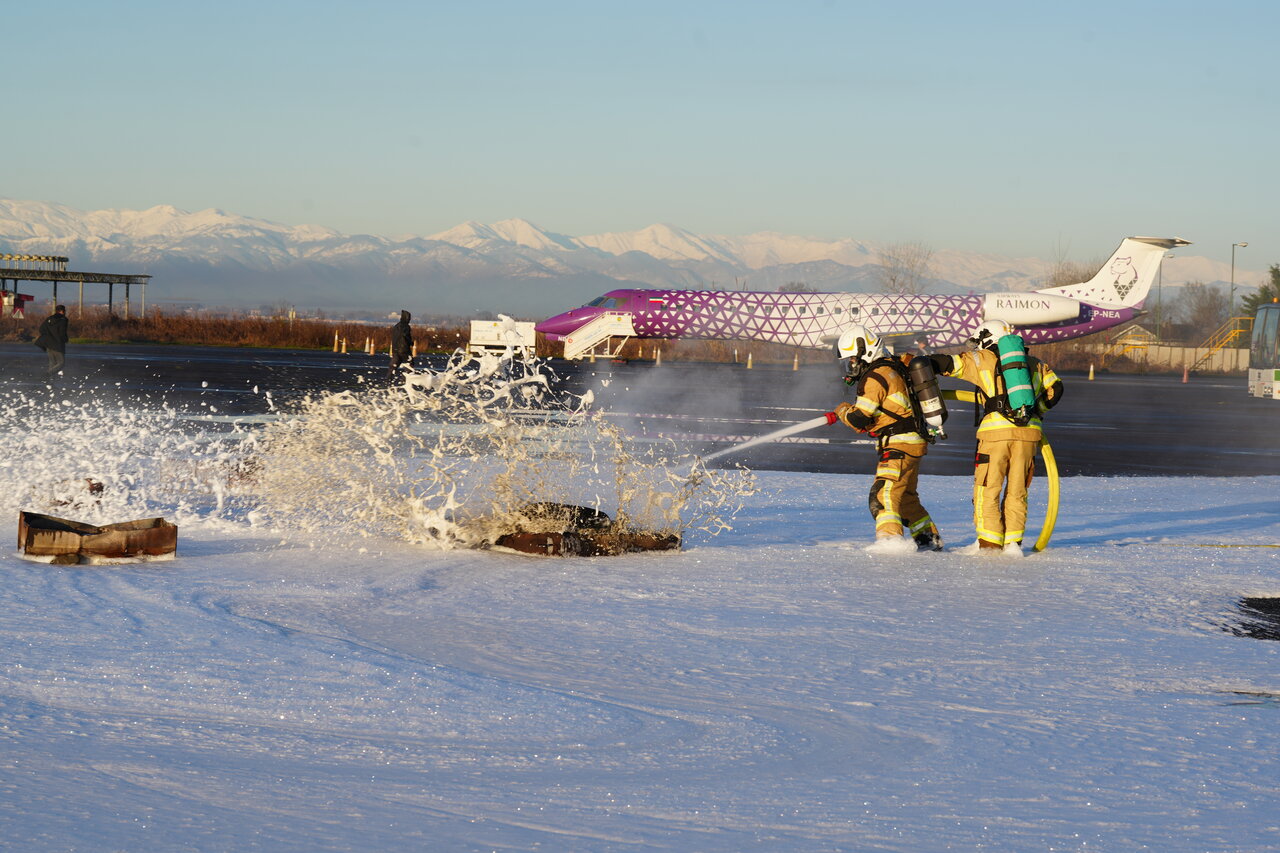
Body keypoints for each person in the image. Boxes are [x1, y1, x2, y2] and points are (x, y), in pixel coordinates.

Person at [931, 320, 1064, 556]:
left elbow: (945, 364)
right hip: (1029, 435)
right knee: (1017, 491)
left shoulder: (983, 359)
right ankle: (1013, 546)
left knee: (987, 489)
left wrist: (919, 364)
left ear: (986, 338)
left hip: (995, 436)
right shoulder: (1036, 364)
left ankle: (990, 547)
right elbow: (1057, 390)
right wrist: (1036, 412)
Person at [832, 325, 944, 553]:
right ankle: (929, 542)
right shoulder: (894, 367)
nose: (851, 366)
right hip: (912, 442)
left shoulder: (875, 376)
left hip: (898, 444)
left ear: (866, 352)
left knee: (883, 495)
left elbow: (859, 417)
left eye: (853, 360)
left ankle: (890, 543)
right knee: (906, 499)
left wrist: (842, 411)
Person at [34, 304, 69, 378]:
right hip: (57, 344)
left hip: (48, 344)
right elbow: (62, 332)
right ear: (62, 311)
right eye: (64, 311)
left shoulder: (49, 318)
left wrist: (48, 336)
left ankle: (49, 383)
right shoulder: (63, 320)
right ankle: (46, 375)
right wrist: (65, 339)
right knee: (61, 363)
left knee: (52, 363)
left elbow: (41, 329)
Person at [389, 310, 414, 379]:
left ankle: (389, 379)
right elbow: (406, 336)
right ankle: (406, 379)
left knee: (393, 365)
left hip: (395, 349)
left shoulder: (396, 326)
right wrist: (411, 342)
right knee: (409, 364)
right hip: (404, 349)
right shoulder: (406, 326)